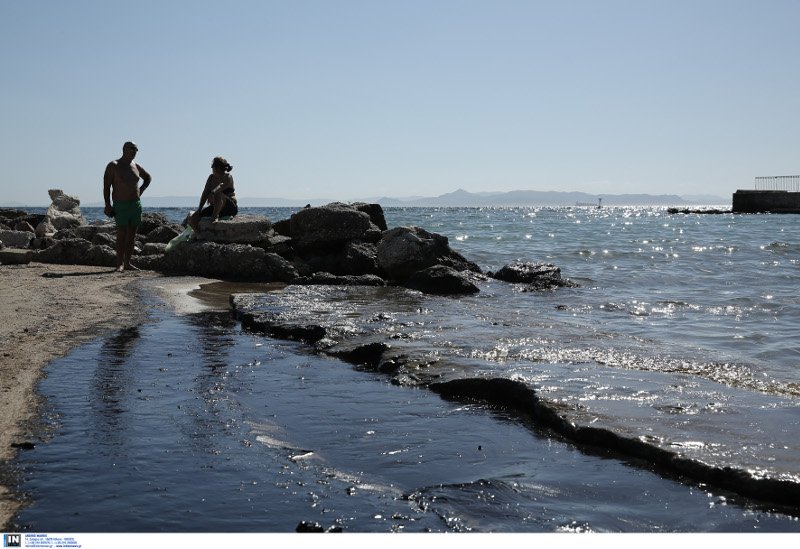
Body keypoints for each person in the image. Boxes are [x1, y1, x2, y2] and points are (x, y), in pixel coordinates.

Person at [103, 141, 152, 272]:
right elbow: (106, 186)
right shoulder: (113, 165)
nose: (135, 151)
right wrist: (107, 205)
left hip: (135, 205)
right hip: (120, 204)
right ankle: (119, 263)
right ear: (124, 149)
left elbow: (148, 178)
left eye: (136, 149)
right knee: (122, 234)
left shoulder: (136, 166)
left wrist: (141, 190)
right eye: (132, 148)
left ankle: (128, 263)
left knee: (132, 235)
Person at [188, 156, 238, 231]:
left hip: (229, 207)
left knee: (218, 193)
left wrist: (212, 193)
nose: (211, 168)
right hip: (215, 207)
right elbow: (205, 193)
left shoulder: (228, 176)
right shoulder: (211, 178)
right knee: (193, 217)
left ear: (217, 167)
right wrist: (199, 209)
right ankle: (199, 235)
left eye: (212, 166)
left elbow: (221, 186)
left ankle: (215, 216)